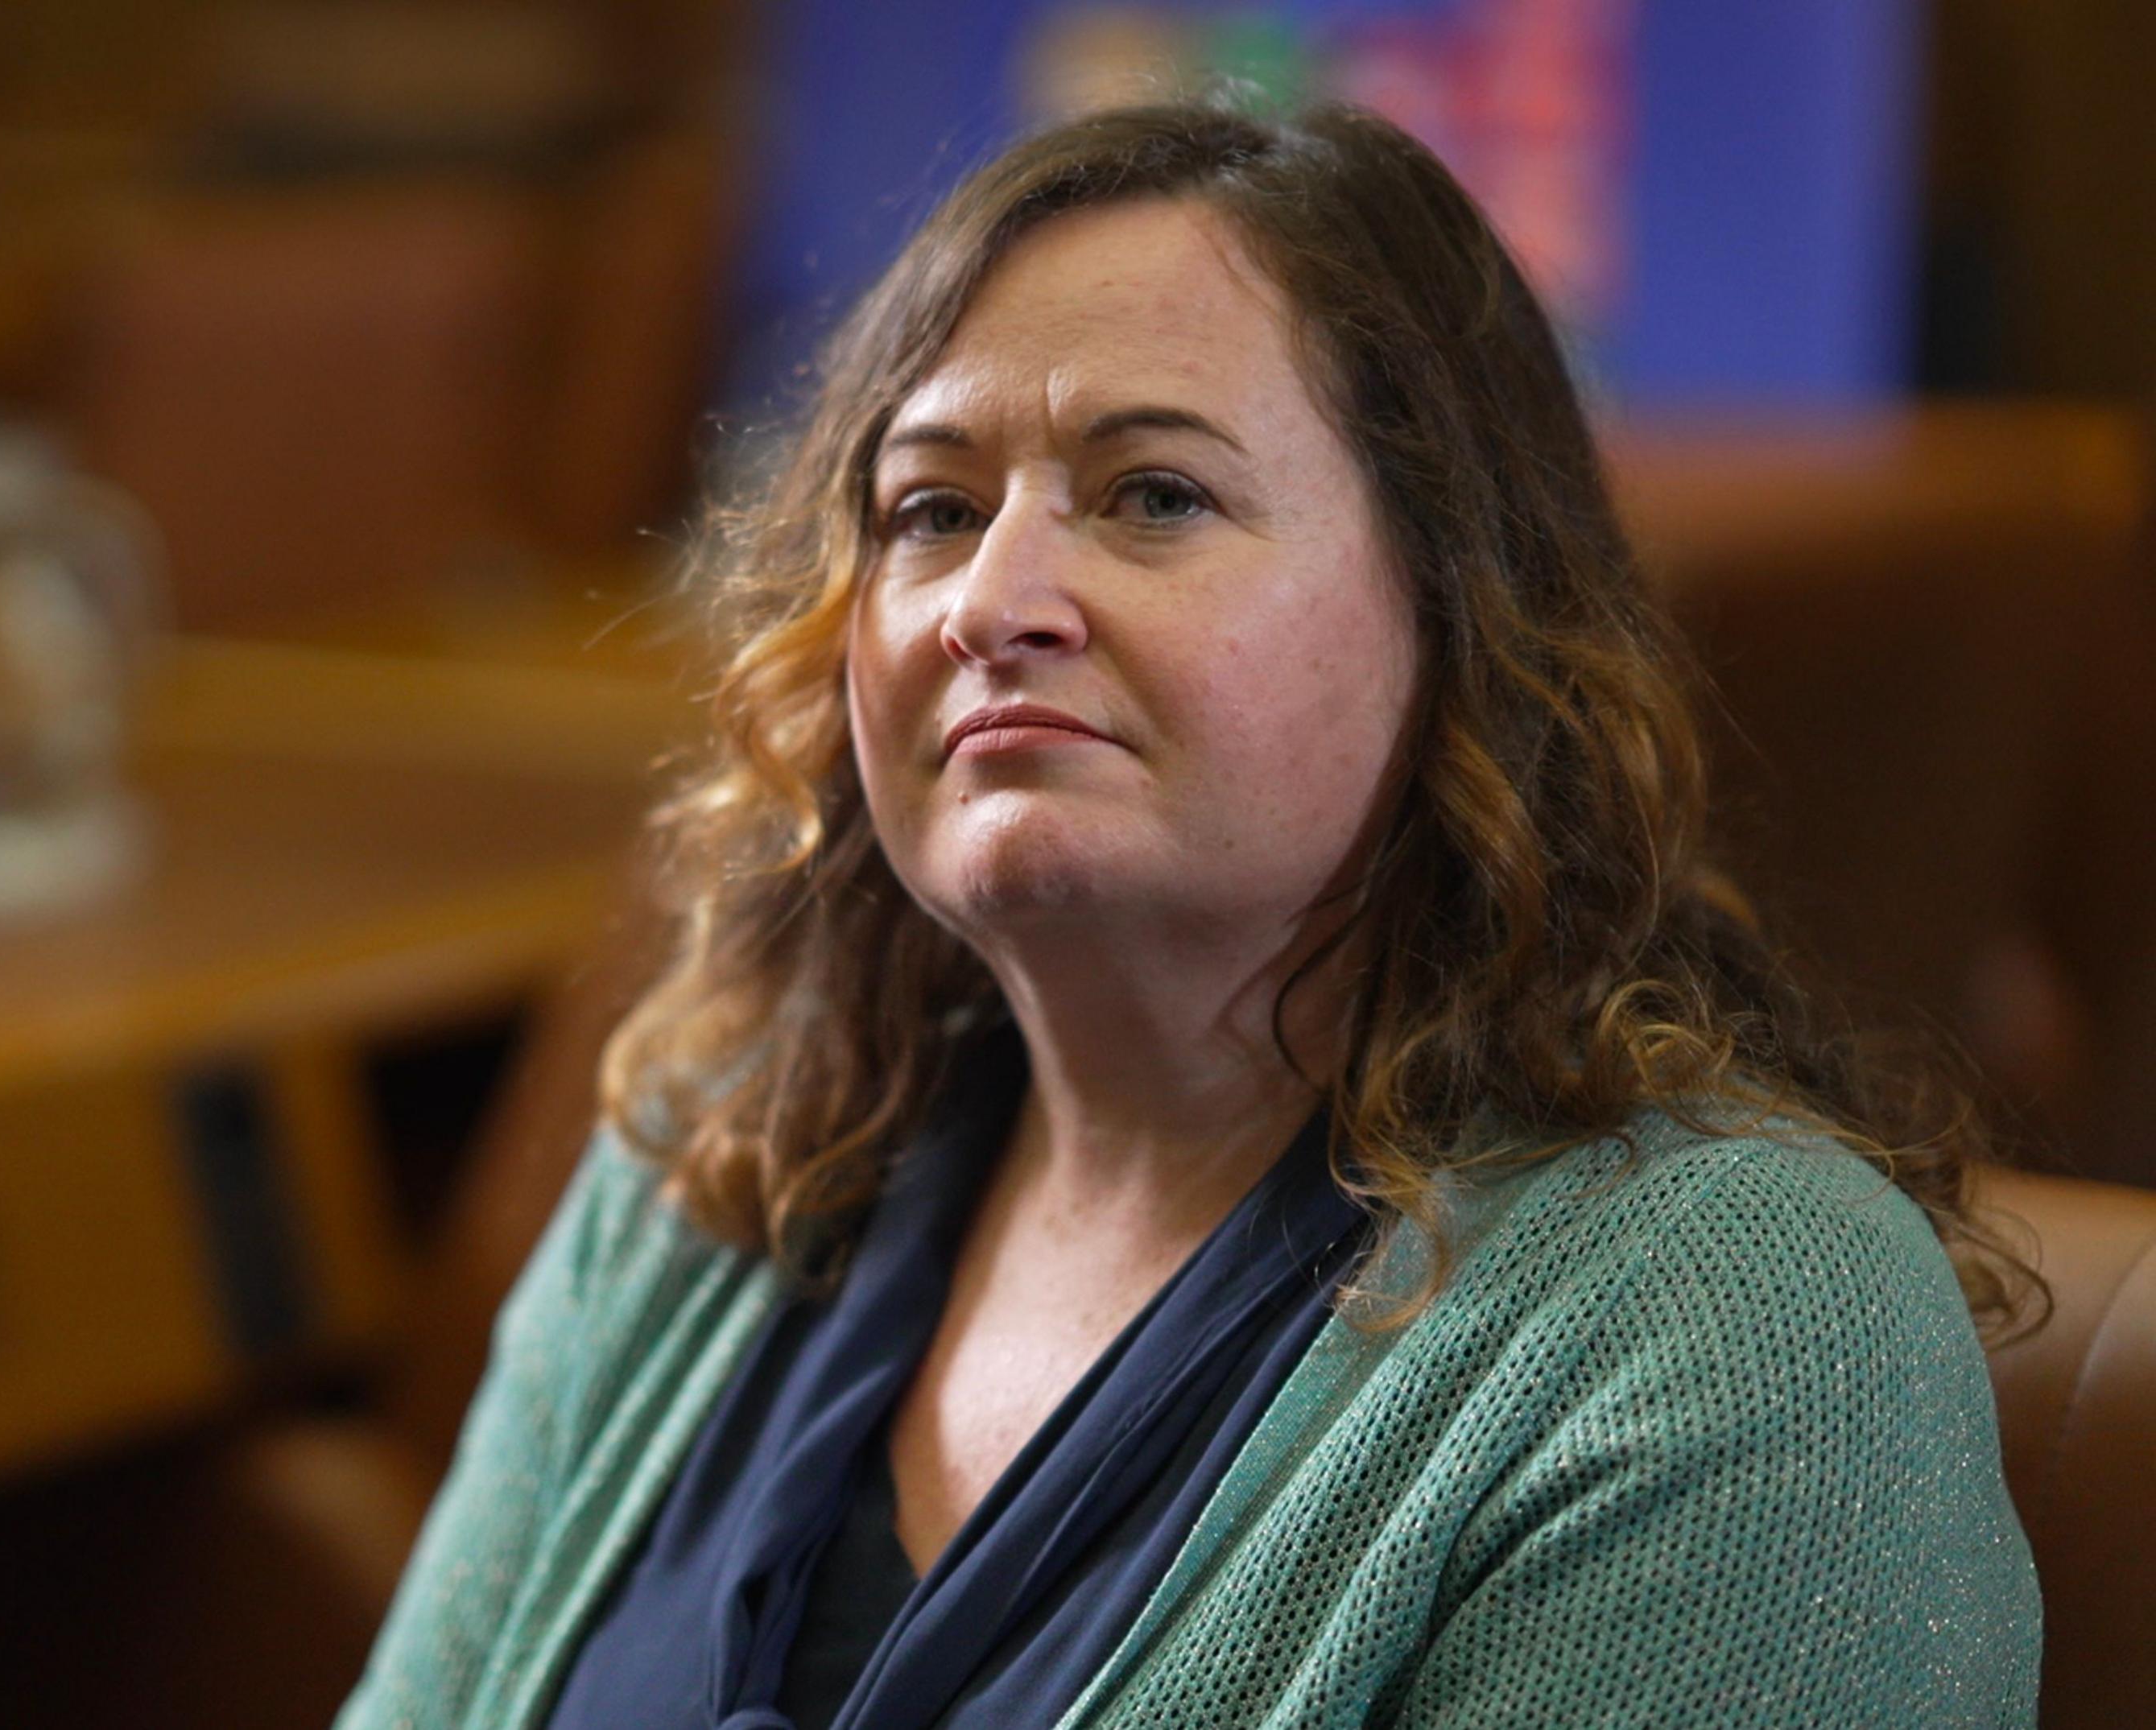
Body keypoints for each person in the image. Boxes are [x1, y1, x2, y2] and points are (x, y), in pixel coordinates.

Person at [335, 101, 2042, 1730]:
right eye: (930, 510)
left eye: (1155, 495)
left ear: (1466, 616)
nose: (990, 603)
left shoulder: (1743, 1324)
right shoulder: (712, 1166)